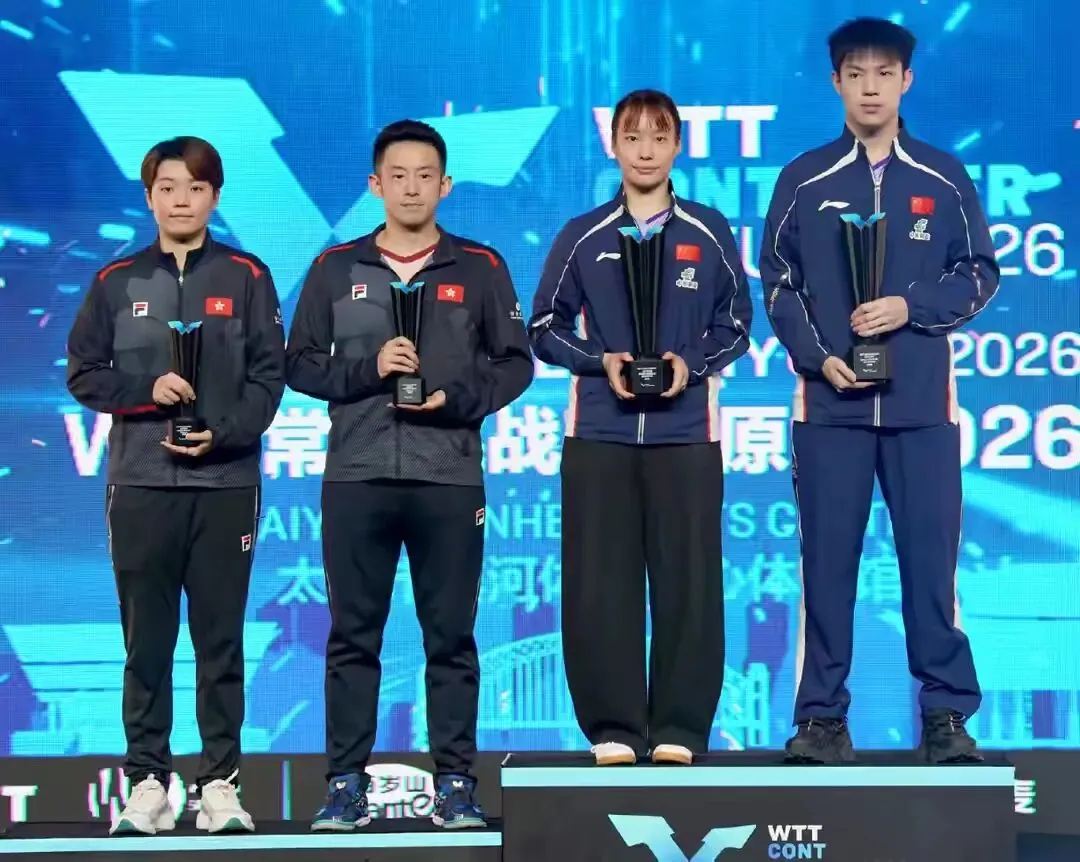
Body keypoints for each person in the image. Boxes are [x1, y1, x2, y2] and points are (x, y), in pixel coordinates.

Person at [759, 17, 997, 764]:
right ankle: (821, 719)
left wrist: (909, 307)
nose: (870, 87)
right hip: (830, 407)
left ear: (906, 82)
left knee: (931, 568)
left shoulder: (942, 177)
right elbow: (778, 282)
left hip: (922, 411)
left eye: (884, 73)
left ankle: (947, 715)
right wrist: (816, 357)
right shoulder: (804, 179)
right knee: (827, 571)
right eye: (856, 74)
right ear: (836, 82)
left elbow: (980, 273)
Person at [286, 119, 533, 830]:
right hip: (357, 475)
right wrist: (368, 370)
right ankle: (345, 786)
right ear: (376, 185)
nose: (412, 188)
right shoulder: (336, 268)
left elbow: (515, 363)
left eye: (426, 175)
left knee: (450, 638)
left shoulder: (478, 267)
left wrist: (455, 400)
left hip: (447, 478)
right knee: (351, 636)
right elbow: (299, 363)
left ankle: (455, 784)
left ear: (445, 185)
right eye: (398, 176)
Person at [66, 136, 286, 833]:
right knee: (147, 644)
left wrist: (223, 432)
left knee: (220, 642)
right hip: (141, 485)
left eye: (194, 187)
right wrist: (145, 390)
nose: (180, 200)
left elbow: (269, 378)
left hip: (225, 485)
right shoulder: (116, 280)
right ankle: (147, 783)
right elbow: (83, 373)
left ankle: (219, 783)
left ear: (214, 196)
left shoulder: (247, 276)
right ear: (149, 197)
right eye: (167, 188)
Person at [529, 89, 752, 766]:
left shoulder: (708, 231)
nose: (646, 151)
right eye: (633, 137)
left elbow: (737, 323)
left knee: (690, 584)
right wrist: (600, 361)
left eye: (659, 137)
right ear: (614, 146)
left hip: (687, 435)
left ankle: (680, 726)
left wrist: (691, 364)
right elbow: (543, 328)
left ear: (678, 145)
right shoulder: (583, 235)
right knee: (600, 585)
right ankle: (614, 727)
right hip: (600, 434)